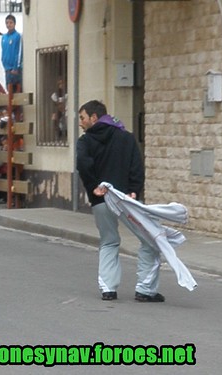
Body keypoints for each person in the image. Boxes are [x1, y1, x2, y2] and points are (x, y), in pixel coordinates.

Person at [76, 100, 165, 303]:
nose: (80, 123)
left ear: (94, 117)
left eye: (82, 118)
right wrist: (134, 190)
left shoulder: (85, 142)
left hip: (101, 201)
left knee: (109, 241)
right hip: (125, 200)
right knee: (149, 241)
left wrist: (94, 188)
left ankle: (108, 289)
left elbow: (83, 164)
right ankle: (145, 289)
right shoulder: (126, 137)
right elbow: (136, 166)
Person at [1, 14, 22, 92]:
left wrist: (16, 67)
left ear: (14, 24)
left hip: (14, 69)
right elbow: (3, 51)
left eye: (10, 23)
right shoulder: (4, 37)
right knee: (9, 90)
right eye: (7, 23)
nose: (8, 25)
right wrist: (3, 63)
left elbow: (19, 51)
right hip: (7, 69)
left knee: (16, 91)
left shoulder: (17, 36)